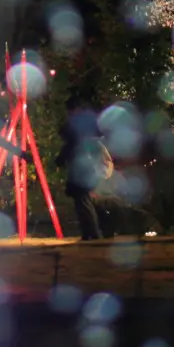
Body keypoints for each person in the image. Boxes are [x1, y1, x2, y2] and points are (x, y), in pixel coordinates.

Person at [58, 96, 111, 241]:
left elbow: (70, 145)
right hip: (83, 168)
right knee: (81, 202)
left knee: (83, 202)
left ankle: (93, 233)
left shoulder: (77, 128)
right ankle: (88, 233)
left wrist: (61, 159)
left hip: (81, 170)